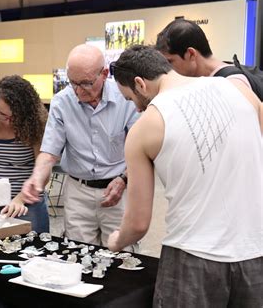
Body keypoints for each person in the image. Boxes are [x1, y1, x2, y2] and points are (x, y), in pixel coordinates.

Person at [108, 45, 262, 307]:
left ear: (140, 84)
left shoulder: (145, 127)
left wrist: (116, 241)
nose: (135, 109)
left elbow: (138, 223)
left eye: (129, 99)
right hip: (255, 251)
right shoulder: (238, 89)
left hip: (191, 258)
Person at [22, 44, 139, 247]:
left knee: (122, 253)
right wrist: (36, 177)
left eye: (85, 83)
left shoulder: (125, 99)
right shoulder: (62, 102)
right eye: (72, 82)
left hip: (119, 189)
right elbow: (49, 152)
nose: (78, 90)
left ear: (104, 74)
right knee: (78, 253)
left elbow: (141, 151)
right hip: (78, 191)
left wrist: (124, 179)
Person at [0, 75, 49, 232]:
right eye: (2, 114)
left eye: (13, 117)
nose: (7, 121)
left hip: (25, 203)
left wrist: (20, 199)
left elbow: (44, 172)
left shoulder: (36, 124)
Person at [155, 19, 251, 87]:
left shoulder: (233, 82)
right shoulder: (214, 80)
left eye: (170, 61)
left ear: (191, 54)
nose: (167, 70)